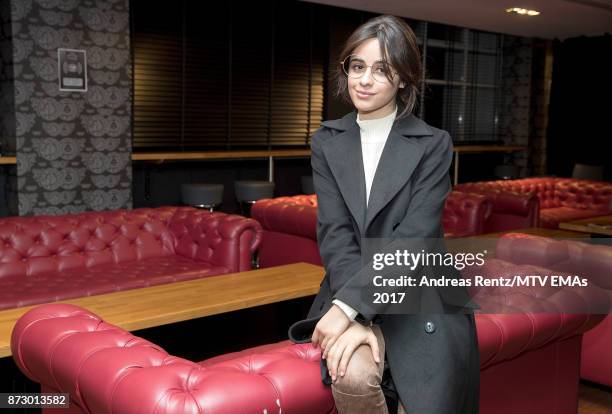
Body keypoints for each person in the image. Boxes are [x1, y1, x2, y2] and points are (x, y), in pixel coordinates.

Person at [288, 14, 480, 414]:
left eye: (381, 70)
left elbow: (415, 237)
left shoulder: (433, 144)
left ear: (403, 79)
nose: (365, 80)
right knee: (352, 374)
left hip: (422, 291)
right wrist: (354, 312)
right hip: (352, 279)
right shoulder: (326, 141)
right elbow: (335, 232)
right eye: (357, 67)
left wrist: (347, 309)